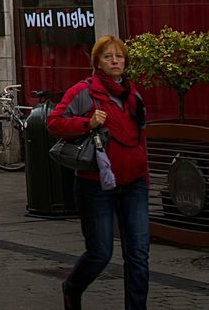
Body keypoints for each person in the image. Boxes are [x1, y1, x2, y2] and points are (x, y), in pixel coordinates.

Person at [49, 35, 150, 310]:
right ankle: (72, 287)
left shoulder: (134, 96)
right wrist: (87, 122)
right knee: (100, 253)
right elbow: (54, 123)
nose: (115, 61)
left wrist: (145, 178)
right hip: (96, 185)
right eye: (108, 57)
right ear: (98, 63)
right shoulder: (83, 92)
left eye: (119, 56)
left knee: (139, 255)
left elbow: (141, 139)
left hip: (134, 183)